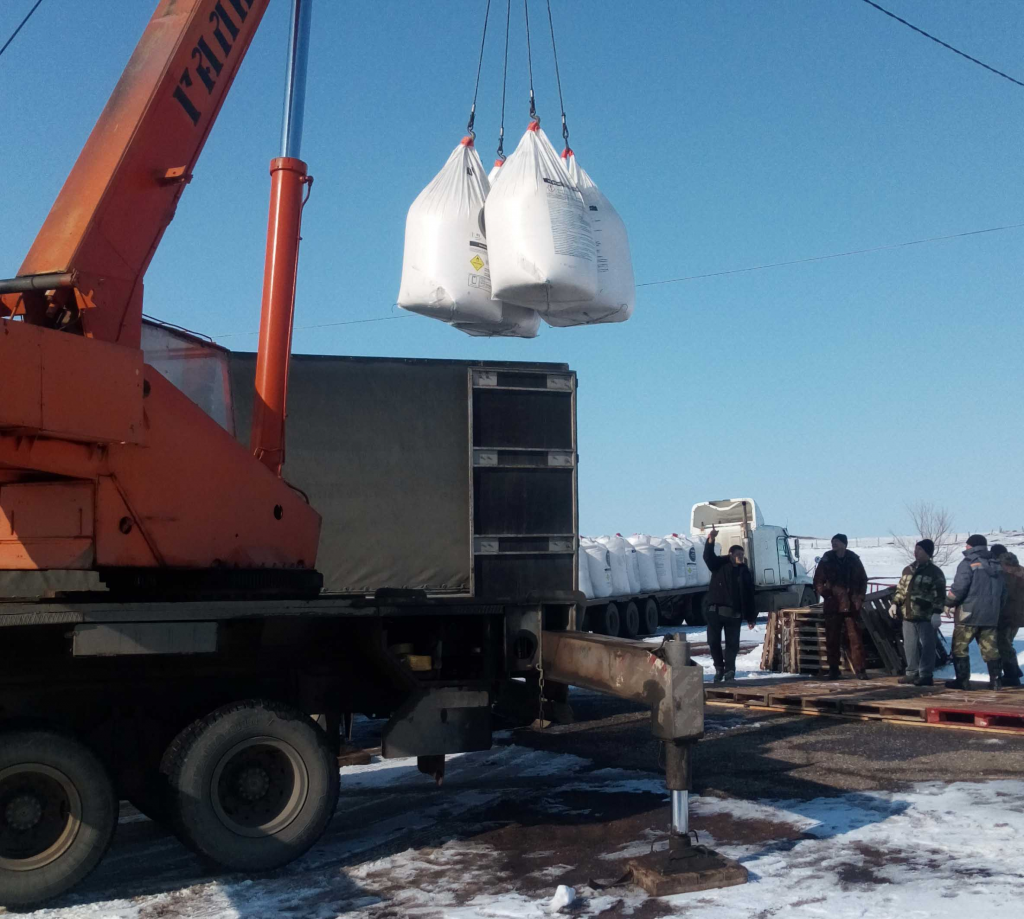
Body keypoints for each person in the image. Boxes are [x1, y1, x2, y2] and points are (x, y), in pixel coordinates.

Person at [944, 534, 1007, 690]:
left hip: (968, 615)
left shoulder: (967, 564)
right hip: (990, 616)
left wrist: (948, 603)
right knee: (990, 649)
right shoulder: (997, 565)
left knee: (960, 648)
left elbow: (959, 588)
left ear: (971, 546)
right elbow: (1004, 593)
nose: (965, 547)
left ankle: (963, 681)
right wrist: (996, 609)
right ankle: (996, 681)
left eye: (967, 545)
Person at [703, 526, 757, 682]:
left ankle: (730, 671)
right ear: (731, 555)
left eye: (742, 554)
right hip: (715, 612)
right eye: (737, 554)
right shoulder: (719, 565)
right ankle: (719, 668)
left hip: (734, 614)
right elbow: (708, 557)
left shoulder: (744, 571)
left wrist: (751, 617)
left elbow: (749, 595)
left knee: (732, 645)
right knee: (713, 642)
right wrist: (711, 540)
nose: (740, 556)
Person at [890, 539, 946, 686]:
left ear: (928, 552)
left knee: (928, 645)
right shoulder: (908, 569)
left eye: (920, 550)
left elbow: (939, 595)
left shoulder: (935, 572)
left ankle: (926, 674)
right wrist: (895, 603)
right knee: (910, 645)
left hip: (926, 615)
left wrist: (937, 612)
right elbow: (901, 589)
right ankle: (911, 673)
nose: (916, 552)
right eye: (915, 549)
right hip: (908, 614)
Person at [813, 533, 868, 680]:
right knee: (832, 638)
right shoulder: (827, 559)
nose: (834, 544)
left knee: (855, 638)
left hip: (851, 605)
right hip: (833, 605)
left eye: (837, 542)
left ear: (844, 544)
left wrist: (860, 597)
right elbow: (818, 581)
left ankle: (860, 669)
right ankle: (833, 669)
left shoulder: (854, 559)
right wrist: (827, 594)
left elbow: (863, 579)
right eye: (832, 542)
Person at [997, 552, 1024, 687]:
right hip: (1016, 616)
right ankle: (1014, 671)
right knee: (1007, 643)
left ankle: (1011, 675)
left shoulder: (1009, 576)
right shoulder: (1020, 572)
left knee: (1003, 645)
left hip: (1008, 616)